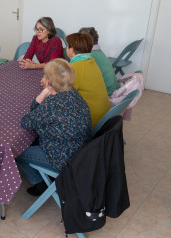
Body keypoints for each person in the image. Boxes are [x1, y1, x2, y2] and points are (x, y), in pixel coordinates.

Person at [16, 58, 91, 196]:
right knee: (33, 137)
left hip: (64, 158)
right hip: (81, 151)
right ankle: (44, 176)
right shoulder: (73, 93)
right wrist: (46, 91)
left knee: (17, 151)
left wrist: (45, 92)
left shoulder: (52, 104)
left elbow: (26, 121)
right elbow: (35, 111)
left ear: (49, 82)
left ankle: (40, 182)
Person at [66, 33, 110, 127]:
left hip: (91, 119)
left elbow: (62, 95)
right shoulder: (91, 61)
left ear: (71, 49)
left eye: (67, 45)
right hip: (104, 116)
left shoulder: (74, 68)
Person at [79, 27, 120, 96]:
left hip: (106, 93)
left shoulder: (89, 56)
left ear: (84, 42)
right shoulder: (98, 52)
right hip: (113, 89)